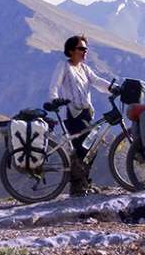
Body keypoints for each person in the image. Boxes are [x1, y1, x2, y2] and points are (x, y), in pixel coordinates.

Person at [49, 35, 114, 196]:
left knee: (90, 148)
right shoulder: (64, 66)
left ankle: (82, 183)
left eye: (86, 49)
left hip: (86, 113)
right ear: (71, 51)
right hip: (72, 114)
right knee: (82, 148)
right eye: (81, 49)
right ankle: (77, 186)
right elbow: (54, 85)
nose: (85, 51)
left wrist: (114, 88)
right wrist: (54, 100)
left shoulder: (84, 68)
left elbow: (97, 81)